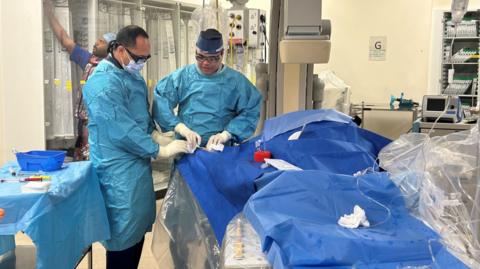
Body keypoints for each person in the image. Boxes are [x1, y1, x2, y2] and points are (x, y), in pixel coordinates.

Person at [83, 25, 189, 269]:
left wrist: (157, 134)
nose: (142, 63)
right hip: (117, 173)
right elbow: (120, 130)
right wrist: (159, 150)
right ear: (120, 50)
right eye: (139, 58)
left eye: (146, 58)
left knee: (137, 231)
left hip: (137, 171)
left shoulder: (133, 77)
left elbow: (139, 118)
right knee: (123, 239)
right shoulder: (102, 84)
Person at [153, 28, 262, 149]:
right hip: (187, 150)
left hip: (221, 152)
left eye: (212, 58)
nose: (205, 63)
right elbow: (161, 101)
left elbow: (251, 110)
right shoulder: (182, 77)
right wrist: (181, 129)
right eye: (200, 57)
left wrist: (226, 135)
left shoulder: (235, 82)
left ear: (222, 54)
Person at [43, 0, 116, 160]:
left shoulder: (115, 70)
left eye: (102, 41)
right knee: (83, 160)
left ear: (111, 48)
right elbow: (66, 40)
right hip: (84, 123)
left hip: (101, 126)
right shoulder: (89, 60)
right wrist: (49, 14)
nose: (96, 42)